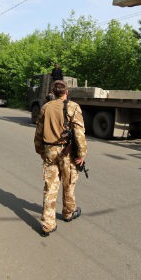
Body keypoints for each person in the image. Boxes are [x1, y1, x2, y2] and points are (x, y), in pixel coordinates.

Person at [34, 80, 87, 237]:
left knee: (50, 187)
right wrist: (82, 154)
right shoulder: (73, 107)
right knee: (69, 183)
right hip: (67, 153)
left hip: (50, 151)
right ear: (66, 92)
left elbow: (38, 132)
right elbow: (79, 133)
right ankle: (68, 213)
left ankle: (48, 224)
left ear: (53, 92)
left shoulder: (45, 107)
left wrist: (41, 151)